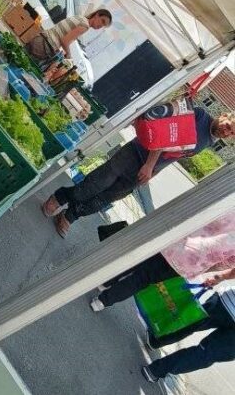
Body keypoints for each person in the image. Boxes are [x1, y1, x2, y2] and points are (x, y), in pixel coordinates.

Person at [42, 110, 235, 237]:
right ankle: (60, 197)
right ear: (225, 115)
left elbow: (174, 156)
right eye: (228, 126)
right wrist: (150, 164)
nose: (226, 132)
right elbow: (165, 134)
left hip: (146, 171)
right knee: (97, 184)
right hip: (136, 152)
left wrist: (153, 173)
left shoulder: (210, 141)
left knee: (105, 198)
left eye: (231, 133)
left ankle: (70, 216)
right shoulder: (199, 116)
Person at [89, 209, 235, 310]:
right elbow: (228, 263)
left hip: (176, 241)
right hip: (190, 263)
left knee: (137, 261)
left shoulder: (229, 207)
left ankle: (105, 282)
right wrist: (205, 267)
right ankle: (102, 301)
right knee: (143, 279)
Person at [141, 285, 235, 383]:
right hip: (228, 302)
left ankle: (156, 341)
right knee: (206, 354)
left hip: (228, 302)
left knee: (192, 324)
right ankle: (155, 370)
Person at [28, 9, 112, 61]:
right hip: (44, 47)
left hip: (40, 39)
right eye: (102, 21)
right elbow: (65, 41)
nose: (101, 25)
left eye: (104, 25)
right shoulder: (85, 26)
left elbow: (62, 35)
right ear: (97, 15)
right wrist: (69, 55)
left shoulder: (80, 17)